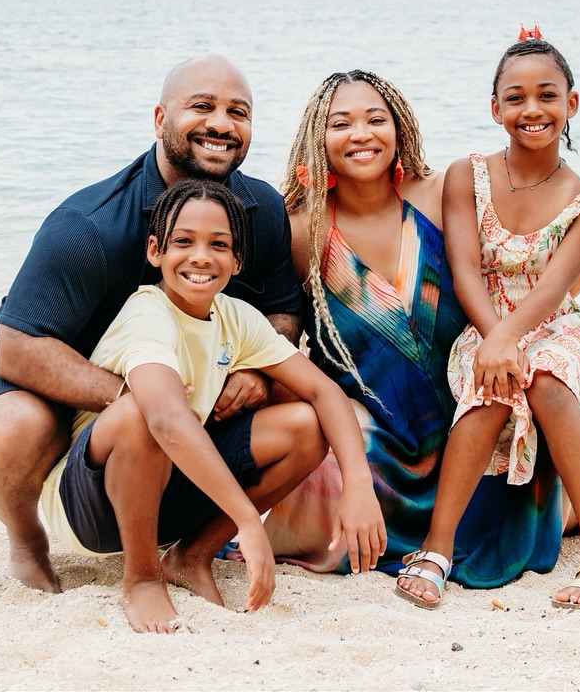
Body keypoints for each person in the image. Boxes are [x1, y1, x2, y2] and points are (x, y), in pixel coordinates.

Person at [257, 68, 580, 588]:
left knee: (526, 446)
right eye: (341, 123)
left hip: (474, 408)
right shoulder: (302, 230)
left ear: (400, 128)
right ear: (316, 138)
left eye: (375, 119)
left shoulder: (440, 195)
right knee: (324, 491)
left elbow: (516, 296)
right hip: (382, 437)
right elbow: (281, 344)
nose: (361, 134)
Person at [0, 56, 305, 592]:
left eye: (239, 112)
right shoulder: (89, 225)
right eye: (202, 106)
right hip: (47, 362)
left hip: (173, 376)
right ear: (160, 117)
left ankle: (191, 550)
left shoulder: (261, 208)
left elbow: (283, 311)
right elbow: (18, 348)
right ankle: (26, 538)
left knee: (295, 408)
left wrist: (257, 372)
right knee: (13, 429)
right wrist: (135, 396)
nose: (222, 124)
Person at [40, 179, 385, 633]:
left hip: (170, 487)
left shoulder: (235, 316)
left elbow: (324, 393)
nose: (201, 256)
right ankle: (142, 578)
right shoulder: (148, 315)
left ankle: (191, 556)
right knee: (140, 413)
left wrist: (358, 484)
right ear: (155, 251)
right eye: (183, 242)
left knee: (306, 425)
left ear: (237, 260)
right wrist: (249, 521)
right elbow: (165, 417)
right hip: (92, 508)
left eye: (218, 245)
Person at [396, 31, 580, 611]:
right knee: (491, 386)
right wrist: (495, 339)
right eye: (516, 97)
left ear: (571, 105)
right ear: (495, 107)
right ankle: (437, 547)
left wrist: (512, 339)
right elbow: (463, 270)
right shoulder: (467, 175)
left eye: (547, 96)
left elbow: (555, 288)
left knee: (551, 379)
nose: (532, 110)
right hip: (484, 319)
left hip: (553, 322)